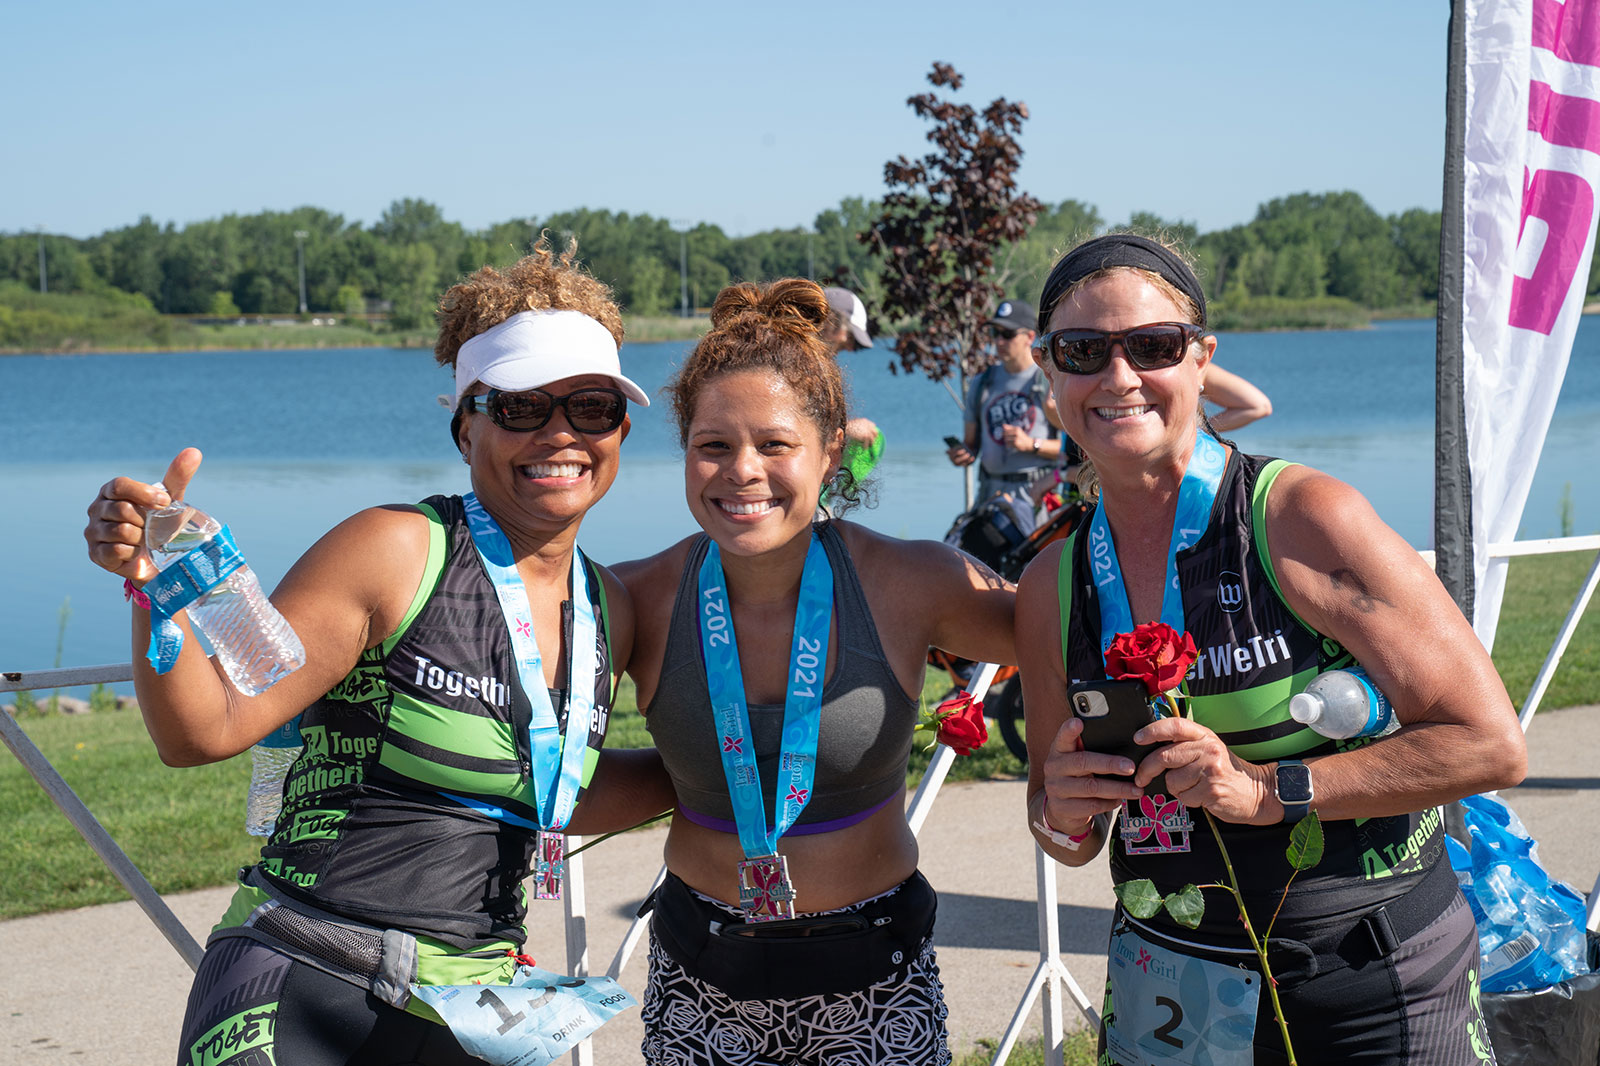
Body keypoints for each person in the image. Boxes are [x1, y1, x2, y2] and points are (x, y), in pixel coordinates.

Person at [83, 244, 675, 1066]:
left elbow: (550, 787)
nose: (561, 434)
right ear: (466, 425)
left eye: (591, 408)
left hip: (471, 1004)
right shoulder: (397, 549)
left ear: (623, 431)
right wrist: (156, 587)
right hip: (307, 976)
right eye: (521, 409)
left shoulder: (609, 603)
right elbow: (205, 730)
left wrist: (708, 773)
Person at [1016, 233, 1526, 1065]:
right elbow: (1060, 830)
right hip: (1171, 979)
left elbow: (1491, 744)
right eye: (1083, 351)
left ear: (1202, 359)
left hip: (1371, 973)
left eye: (1152, 346)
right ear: (1047, 370)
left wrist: (1267, 789)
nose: (1118, 378)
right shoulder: (1053, 582)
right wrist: (1063, 809)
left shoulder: (1299, 518)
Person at [616, 278, 1017, 1066]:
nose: (742, 472)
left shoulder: (913, 581)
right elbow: (539, 753)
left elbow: (1069, 630)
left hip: (873, 980)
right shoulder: (636, 595)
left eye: (774, 444)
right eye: (713, 446)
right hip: (702, 981)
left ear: (831, 448)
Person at [946, 296, 1076, 503]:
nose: (999, 341)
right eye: (995, 333)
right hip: (989, 495)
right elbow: (971, 444)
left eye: (1007, 334)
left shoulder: (1047, 379)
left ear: (1029, 337)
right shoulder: (982, 382)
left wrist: (1031, 444)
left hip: (1037, 496)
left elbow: (1075, 449)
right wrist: (963, 453)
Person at [822, 285, 884, 493]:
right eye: (850, 337)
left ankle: (826, 503)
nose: (849, 347)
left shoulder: (816, 366)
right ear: (830, 321)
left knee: (876, 439)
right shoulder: (792, 361)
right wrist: (848, 429)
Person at [1202, 361, 1273, 432]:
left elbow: (1262, 406)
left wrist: (1199, 430)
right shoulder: (1199, 367)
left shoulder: (1199, 368)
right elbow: (1261, 406)